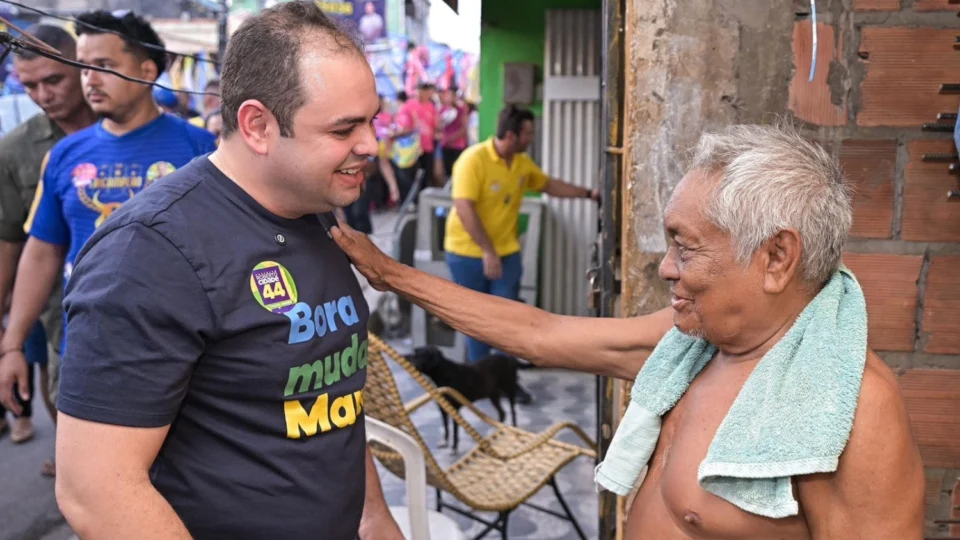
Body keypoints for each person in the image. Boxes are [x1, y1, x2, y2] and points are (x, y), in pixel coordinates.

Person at [331, 123, 925, 539]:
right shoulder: (691, 343)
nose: (666, 267)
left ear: (776, 259)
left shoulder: (850, 413)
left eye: (685, 248)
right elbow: (539, 334)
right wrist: (391, 275)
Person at [46, 3, 402, 539]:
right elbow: (96, 491)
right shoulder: (148, 254)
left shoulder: (313, 209)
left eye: (371, 120)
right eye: (344, 128)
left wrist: (375, 519)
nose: (370, 145)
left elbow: (331, 404)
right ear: (257, 125)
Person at [0, 10, 216, 475]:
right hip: (92, 345)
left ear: (146, 70)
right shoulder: (65, 155)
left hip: (186, 348)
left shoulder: (203, 149)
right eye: (84, 65)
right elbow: (42, 251)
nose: (89, 79)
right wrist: (12, 344)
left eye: (102, 65)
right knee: (99, 479)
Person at [0, 25, 96, 451]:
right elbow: (11, 243)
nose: (43, 95)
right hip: (61, 309)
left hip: (154, 303)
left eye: (53, 80)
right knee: (69, 404)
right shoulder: (17, 150)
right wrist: (9, 344)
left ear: (83, 67)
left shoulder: (133, 127)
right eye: (30, 85)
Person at [444, 104, 599, 363]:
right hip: (467, 254)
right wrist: (487, 251)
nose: (532, 138)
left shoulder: (521, 163)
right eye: (528, 133)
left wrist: (588, 194)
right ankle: (480, 381)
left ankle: (507, 381)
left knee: (509, 322)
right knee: (477, 322)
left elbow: (548, 185)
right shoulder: (473, 160)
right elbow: (464, 208)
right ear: (511, 136)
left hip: (507, 253)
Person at [438, 85, 468, 181]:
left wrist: (451, 138)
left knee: (458, 169)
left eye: (452, 95)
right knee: (447, 169)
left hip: (458, 145)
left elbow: (464, 128)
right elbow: (439, 126)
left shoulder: (461, 110)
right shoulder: (443, 110)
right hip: (446, 145)